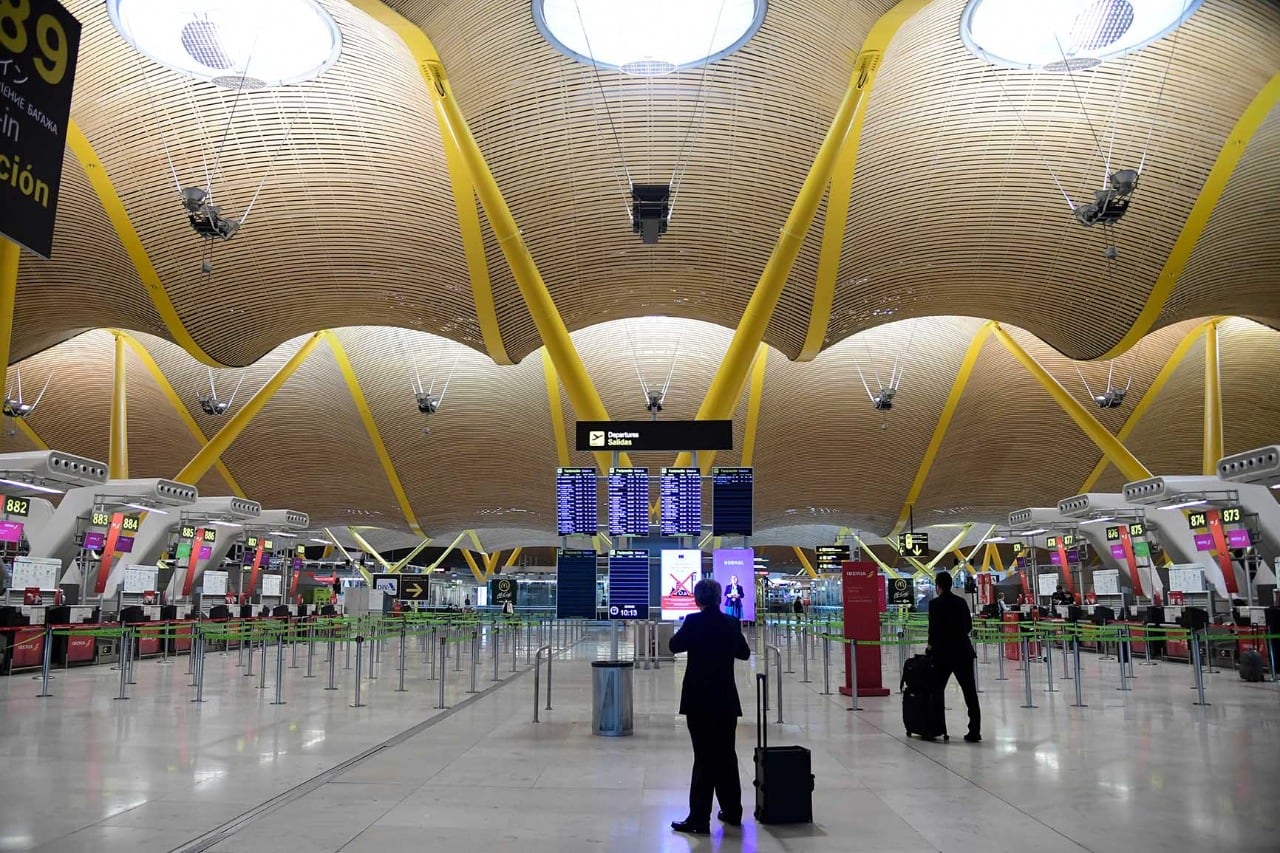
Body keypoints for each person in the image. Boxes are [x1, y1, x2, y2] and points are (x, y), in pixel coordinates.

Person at [668, 578, 752, 835]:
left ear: (697, 600)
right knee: (726, 755)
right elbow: (744, 653)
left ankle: (699, 818)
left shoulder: (693, 622)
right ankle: (732, 811)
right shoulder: (730, 622)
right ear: (719, 598)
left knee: (703, 757)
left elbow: (674, 646)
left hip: (698, 700)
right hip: (725, 699)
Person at [926, 571, 981, 743]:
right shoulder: (961, 602)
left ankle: (936, 727)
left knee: (936, 690)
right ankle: (974, 730)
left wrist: (930, 647)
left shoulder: (934, 604)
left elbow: (933, 630)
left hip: (942, 654)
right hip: (963, 651)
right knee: (969, 691)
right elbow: (968, 626)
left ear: (938, 586)